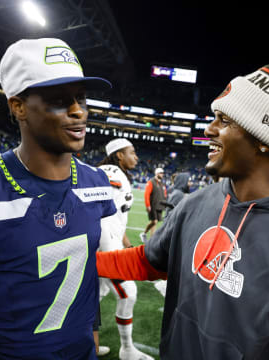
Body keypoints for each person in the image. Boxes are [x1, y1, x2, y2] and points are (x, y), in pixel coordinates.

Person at [96, 43, 269, 359]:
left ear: (264, 136)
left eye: (225, 120)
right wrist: (86, 260)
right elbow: (150, 260)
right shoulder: (194, 204)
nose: (209, 128)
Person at [0, 37, 116, 360]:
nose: (78, 111)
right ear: (18, 105)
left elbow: (86, 276)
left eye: (81, 98)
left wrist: (91, 339)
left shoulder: (96, 183)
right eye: (60, 100)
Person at [97, 138, 153, 360]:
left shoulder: (119, 174)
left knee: (95, 295)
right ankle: (127, 349)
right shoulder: (110, 172)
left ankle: (74, 340)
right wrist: (110, 254)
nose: (136, 157)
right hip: (104, 249)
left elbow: (115, 217)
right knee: (128, 294)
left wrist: (125, 243)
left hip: (110, 244)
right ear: (119, 155)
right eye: (132, 152)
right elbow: (97, 212)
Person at [139, 167, 166, 242]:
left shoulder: (162, 183)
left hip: (159, 206)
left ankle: (149, 237)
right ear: (156, 173)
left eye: (162, 173)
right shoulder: (151, 182)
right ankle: (147, 236)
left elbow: (165, 194)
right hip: (153, 205)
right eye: (161, 173)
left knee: (155, 223)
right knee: (154, 221)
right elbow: (146, 194)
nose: (162, 174)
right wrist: (148, 205)